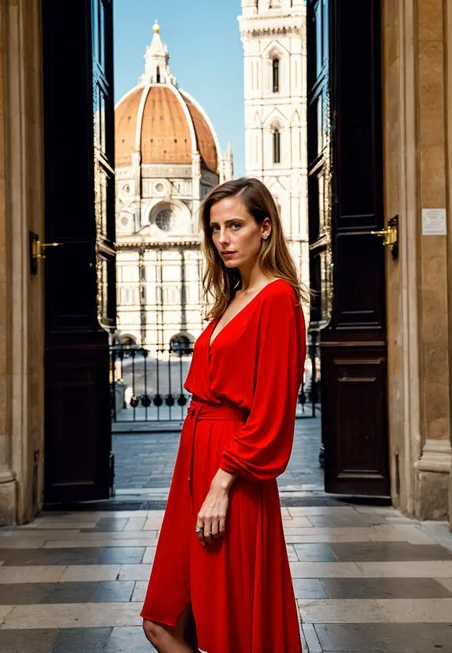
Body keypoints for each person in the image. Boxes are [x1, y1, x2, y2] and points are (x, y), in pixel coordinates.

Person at [141, 177, 307, 653]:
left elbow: (272, 410)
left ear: (266, 228)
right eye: (215, 229)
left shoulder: (278, 299)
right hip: (194, 465)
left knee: (232, 625)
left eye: (235, 225)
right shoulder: (232, 297)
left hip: (230, 471)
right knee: (162, 620)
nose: (223, 239)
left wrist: (221, 484)